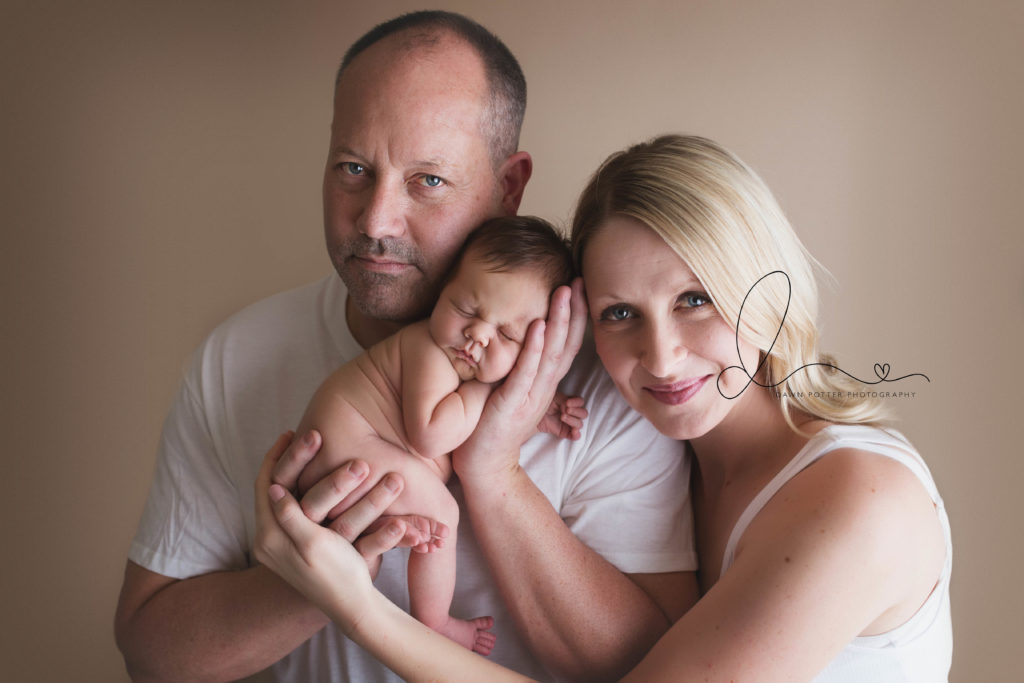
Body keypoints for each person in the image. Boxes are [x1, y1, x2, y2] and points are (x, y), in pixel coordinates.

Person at [115, 11, 698, 683]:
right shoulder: (238, 356)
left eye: (428, 180)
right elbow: (152, 655)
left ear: (509, 187)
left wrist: (494, 470)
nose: (375, 220)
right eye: (354, 168)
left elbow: (659, 664)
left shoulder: (607, 375)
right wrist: (317, 576)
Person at [254, 134, 952, 682]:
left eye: (695, 299)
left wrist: (355, 606)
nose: (662, 355)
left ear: (765, 282)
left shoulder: (859, 501)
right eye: (620, 312)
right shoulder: (685, 459)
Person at [289, 215, 584, 655]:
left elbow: (474, 433)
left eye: (507, 335)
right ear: (441, 293)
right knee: (442, 512)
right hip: (346, 441)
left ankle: (404, 535)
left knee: (425, 519)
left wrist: (534, 414)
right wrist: (495, 389)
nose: (478, 334)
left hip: (364, 452)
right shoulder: (426, 349)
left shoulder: (460, 369)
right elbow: (432, 435)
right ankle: (434, 620)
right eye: (466, 308)